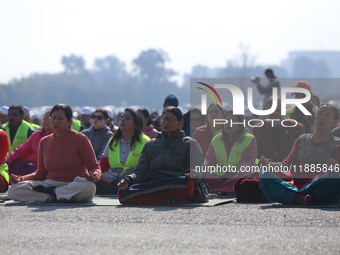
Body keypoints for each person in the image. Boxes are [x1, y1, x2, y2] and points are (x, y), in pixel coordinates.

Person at [8, 104, 101, 203]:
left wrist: (95, 176)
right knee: (13, 190)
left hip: (74, 183)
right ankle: (54, 197)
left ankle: (52, 195)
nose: (56, 122)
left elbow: (94, 166)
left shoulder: (80, 139)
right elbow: (40, 173)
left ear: (69, 121)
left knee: (89, 187)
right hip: (49, 184)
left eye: (60, 118)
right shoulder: (44, 141)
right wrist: (21, 179)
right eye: (53, 118)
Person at [117, 106, 204, 204]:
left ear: (181, 123)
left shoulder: (190, 143)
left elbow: (198, 172)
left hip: (176, 183)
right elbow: (140, 171)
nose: (166, 123)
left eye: (171, 120)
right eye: (164, 119)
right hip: (154, 185)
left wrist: (193, 174)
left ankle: (154, 199)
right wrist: (128, 180)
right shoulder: (150, 144)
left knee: (186, 183)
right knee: (122, 193)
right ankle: (166, 200)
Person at [259, 104, 340, 206]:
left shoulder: (337, 144)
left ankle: (293, 197)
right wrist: (271, 164)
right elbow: (287, 163)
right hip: (296, 183)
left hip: (319, 184)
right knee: (265, 172)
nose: (322, 117)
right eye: (319, 114)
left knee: (335, 177)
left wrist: (335, 168)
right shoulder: (302, 139)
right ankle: (302, 198)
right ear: (315, 117)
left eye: (328, 115)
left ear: (335, 123)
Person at [95, 108, 150, 195]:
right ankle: (120, 188)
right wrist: (95, 174)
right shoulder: (113, 141)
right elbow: (103, 166)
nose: (123, 120)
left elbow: (147, 171)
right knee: (93, 182)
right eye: (121, 118)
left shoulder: (145, 142)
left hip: (133, 180)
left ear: (136, 124)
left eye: (127, 118)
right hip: (112, 179)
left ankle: (120, 188)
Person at [204, 111, 257, 195]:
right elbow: (209, 160)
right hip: (220, 177)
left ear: (240, 125)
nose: (228, 123)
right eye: (226, 120)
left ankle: (217, 190)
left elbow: (248, 161)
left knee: (245, 179)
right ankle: (227, 190)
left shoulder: (249, 139)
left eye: (232, 120)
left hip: (237, 175)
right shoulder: (216, 139)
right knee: (203, 175)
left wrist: (240, 172)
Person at [252, 96, 305, 162]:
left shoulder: (297, 128)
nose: (275, 113)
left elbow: (301, 155)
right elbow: (256, 156)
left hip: (289, 170)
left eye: (278, 110)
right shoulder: (258, 130)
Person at [6, 109, 53, 176]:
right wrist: (6, 161)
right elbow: (21, 151)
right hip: (33, 169)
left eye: (49, 118)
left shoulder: (58, 136)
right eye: (44, 118)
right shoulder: (36, 135)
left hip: (47, 171)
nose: (45, 121)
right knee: (14, 163)